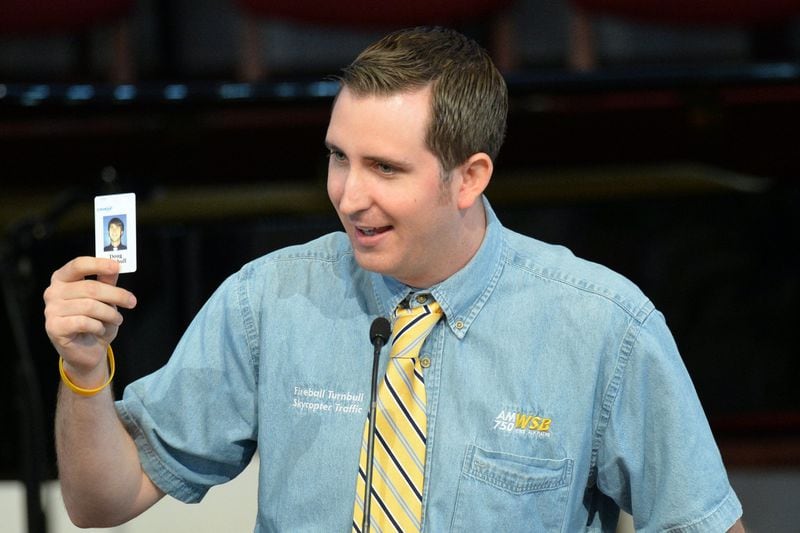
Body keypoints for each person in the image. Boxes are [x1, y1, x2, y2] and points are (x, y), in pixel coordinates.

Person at [44, 26, 745, 532]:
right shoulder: (269, 300)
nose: (348, 195)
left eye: (385, 168)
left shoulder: (603, 326)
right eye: (338, 157)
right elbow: (101, 500)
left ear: (468, 177)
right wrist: (83, 369)